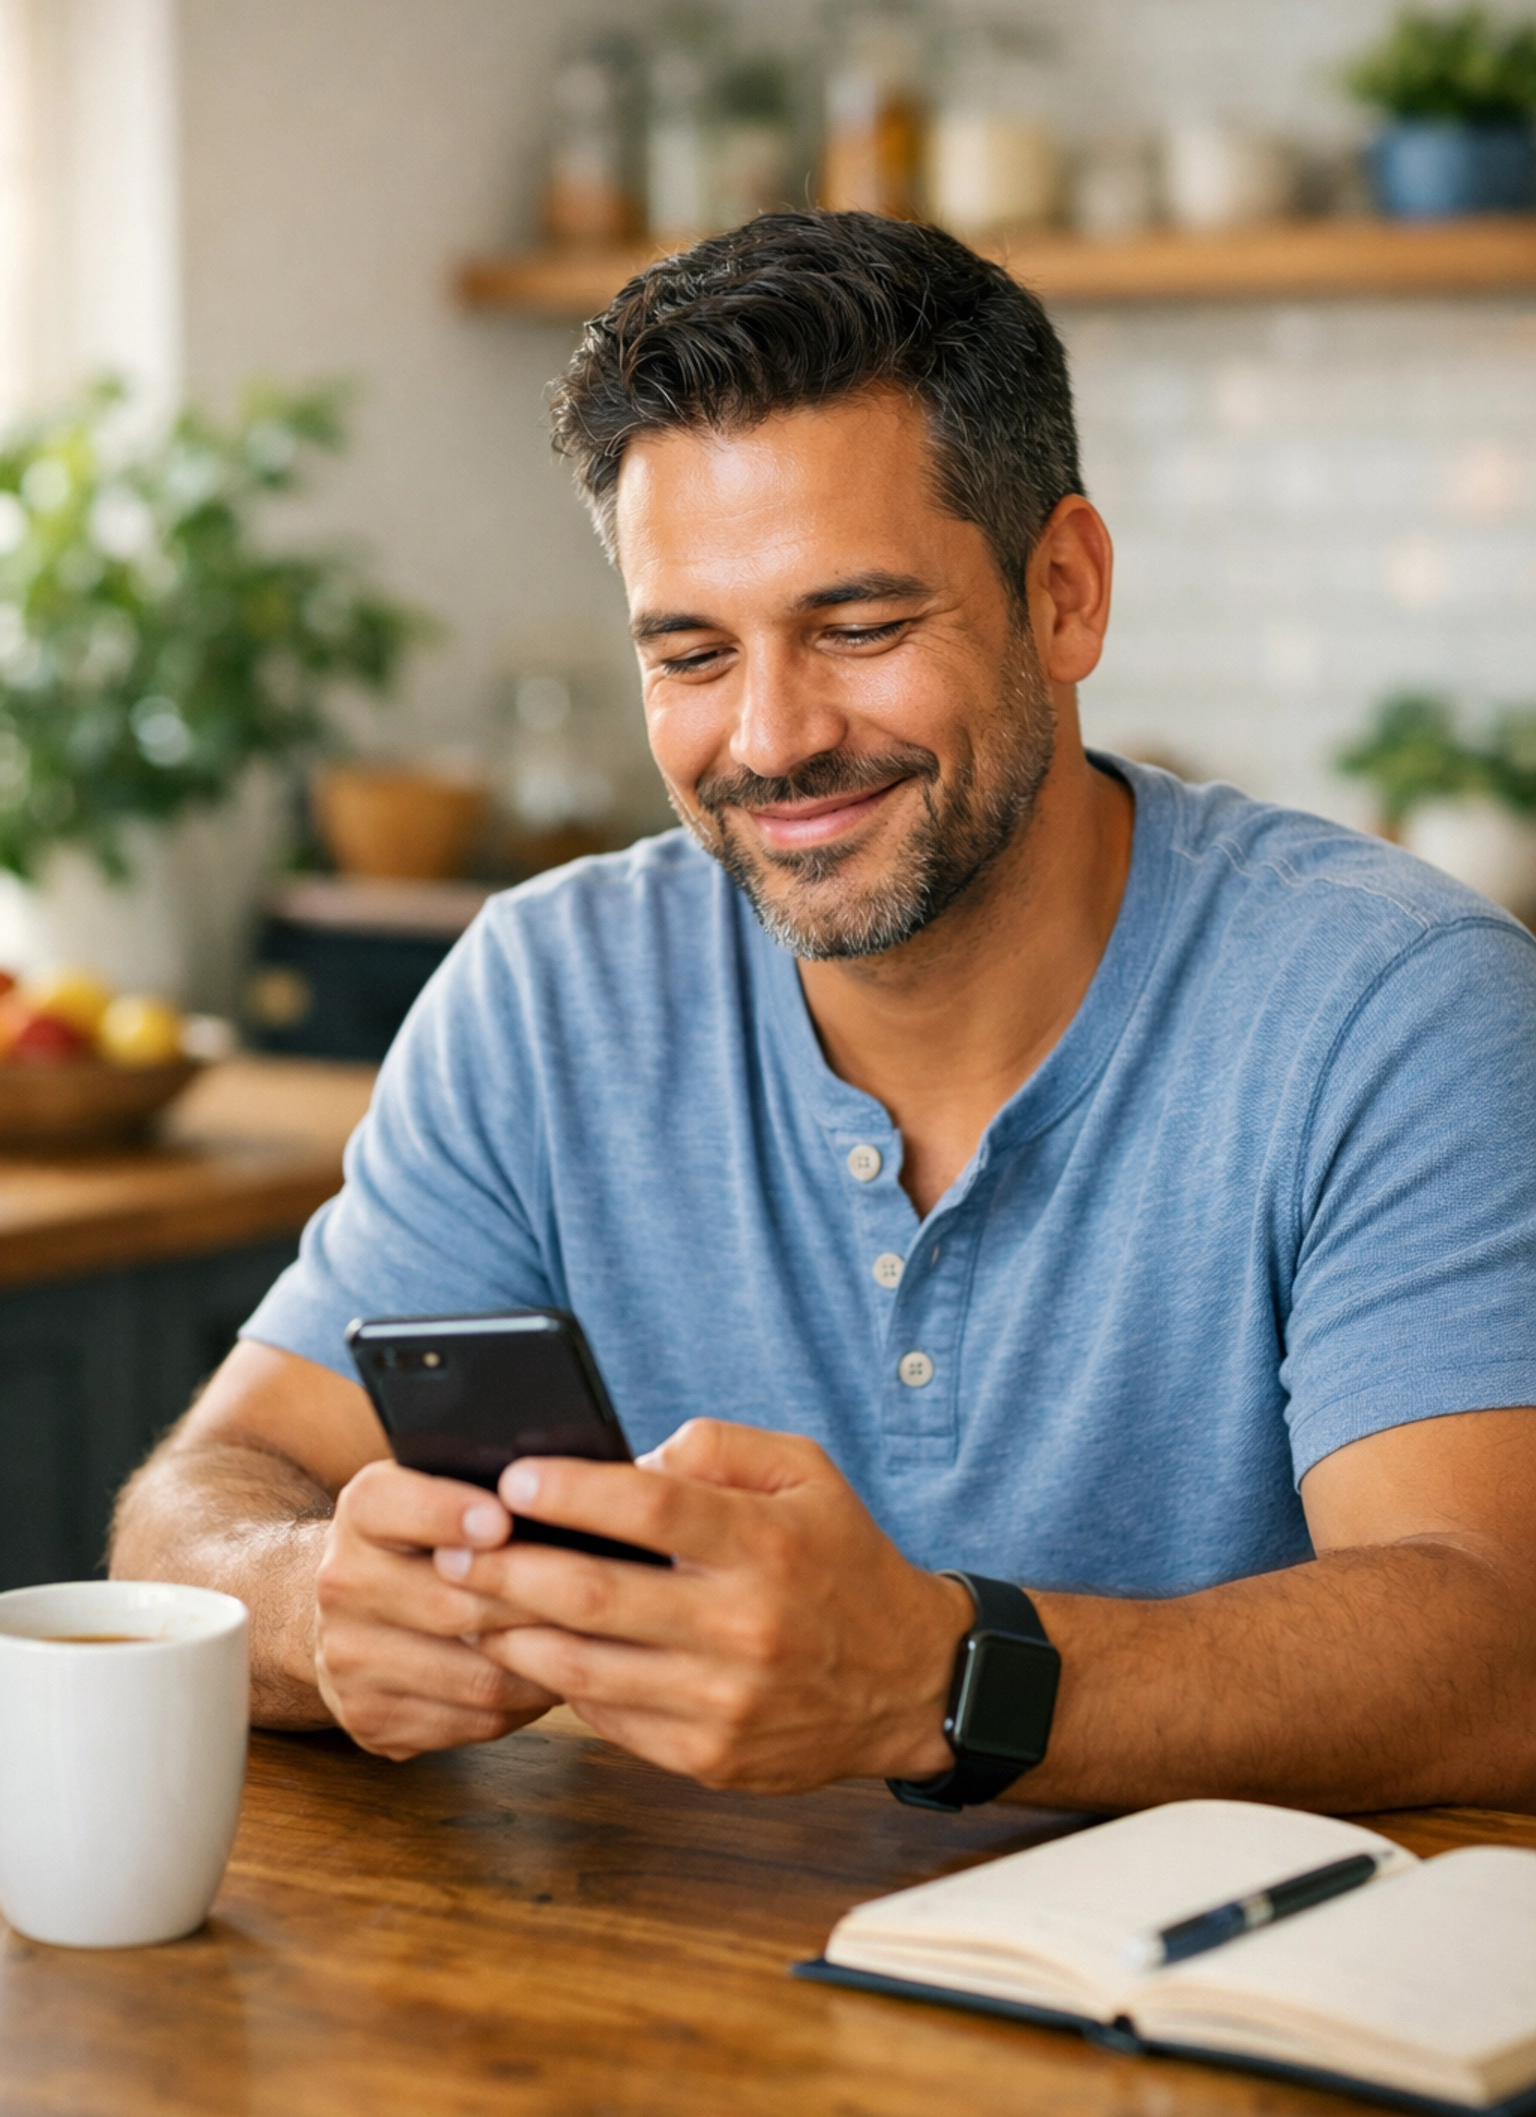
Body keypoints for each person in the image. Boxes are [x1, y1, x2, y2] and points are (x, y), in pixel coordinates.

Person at [112, 211, 1536, 1814]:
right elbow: (198, 1500)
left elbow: (1499, 1646)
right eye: (693, 654)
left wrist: (937, 1680)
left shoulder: (1396, 1004)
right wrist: (317, 1600)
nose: (772, 738)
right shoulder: (544, 992)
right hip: (645, 2010)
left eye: (858, 628)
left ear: (1064, 593)